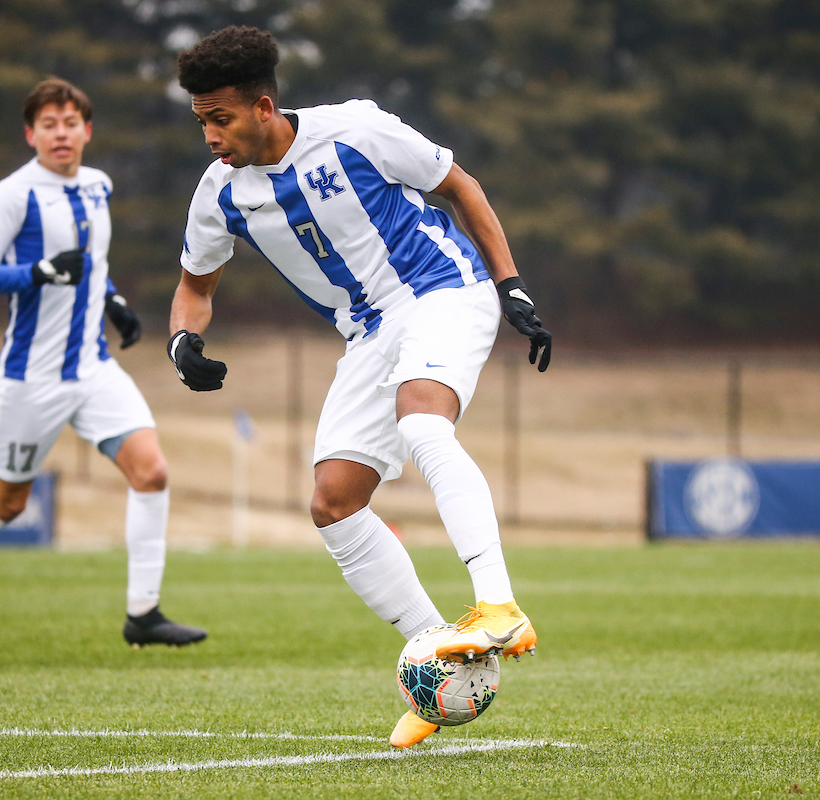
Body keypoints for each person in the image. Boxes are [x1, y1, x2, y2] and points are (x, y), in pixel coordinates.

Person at [169, 26, 551, 748]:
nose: (210, 135)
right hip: (369, 335)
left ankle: (499, 605)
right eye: (201, 121)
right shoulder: (219, 194)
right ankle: (440, 661)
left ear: (263, 107)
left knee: (422, 421)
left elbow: (460, 186)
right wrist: (182, 340)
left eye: (220, 118)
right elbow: (195, 286)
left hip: (443, 288)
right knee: (333, 504)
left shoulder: (357, 130)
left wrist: (512, 286)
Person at [0, 77, 206, 662]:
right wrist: (38, 273)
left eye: (70, 123)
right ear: (31, 134)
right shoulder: (13, 195)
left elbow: (92, 261)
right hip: (31, 378)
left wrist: (113, 301)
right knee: (7, 501)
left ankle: (143, 613)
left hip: (92, 367)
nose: (61, 133)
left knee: (151, 472)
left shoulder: (97, 185)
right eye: (49, 125)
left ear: (87, 130)